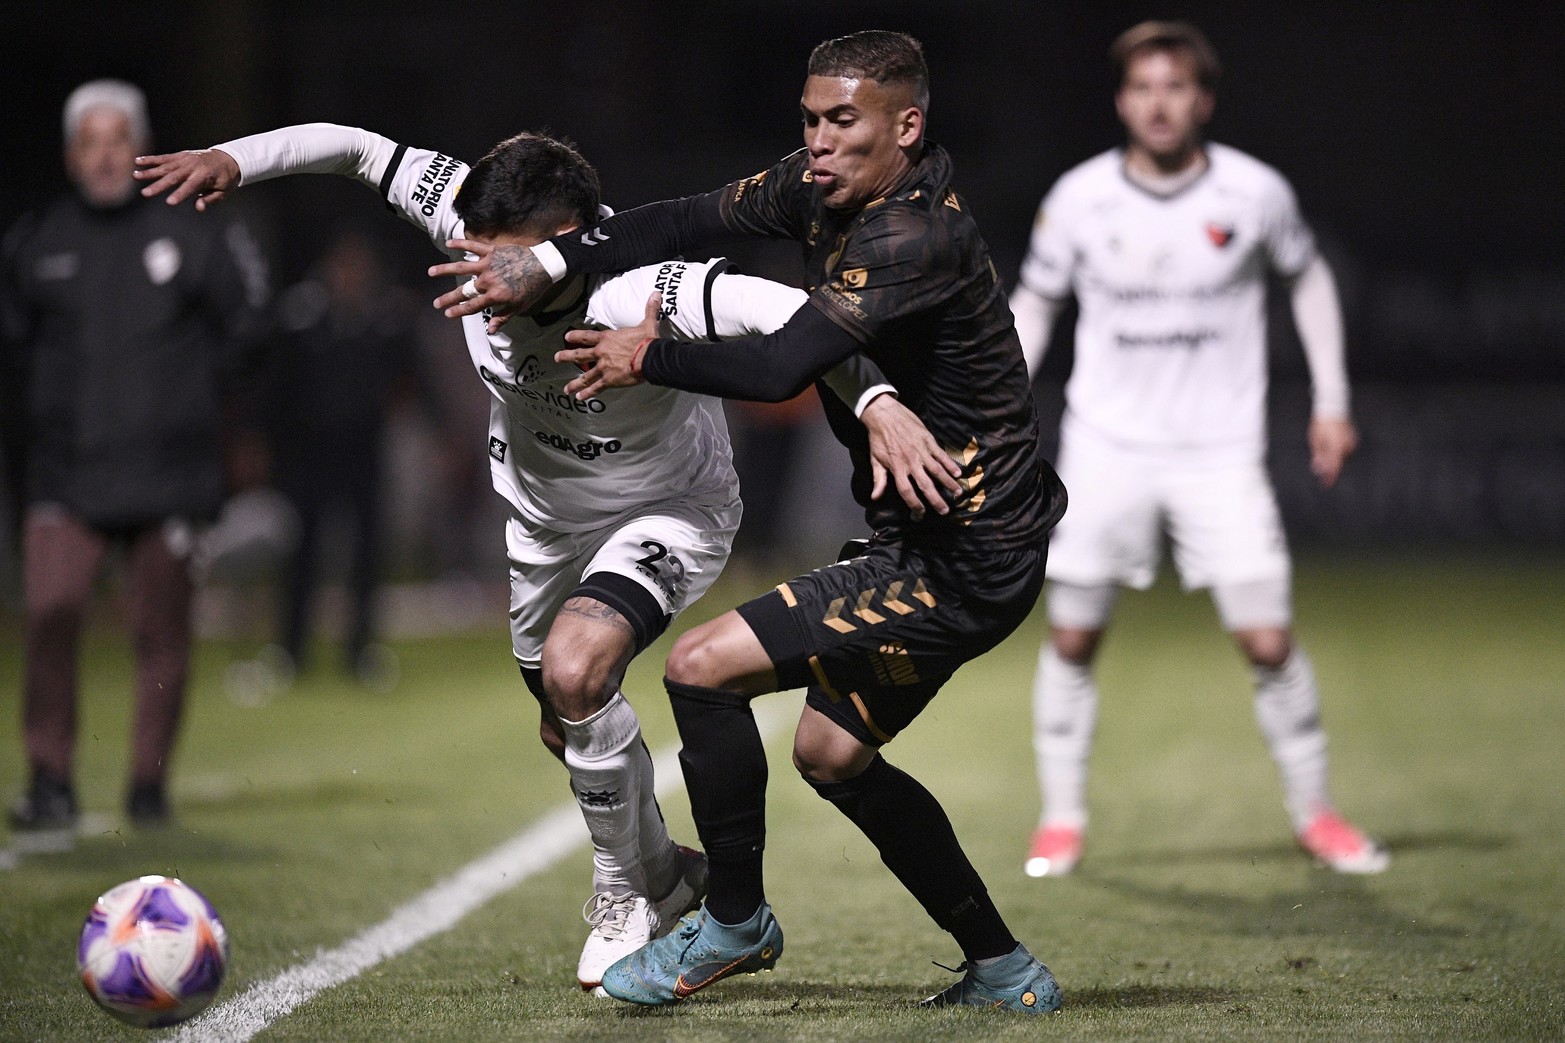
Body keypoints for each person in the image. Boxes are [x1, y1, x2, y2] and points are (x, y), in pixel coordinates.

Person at [135, 121, 939, 992]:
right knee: (564, 722)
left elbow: (798, 318)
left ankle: (622, 889)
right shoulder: (468, 224)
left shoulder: (644, 285)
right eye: (471, 255)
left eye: (501, 263)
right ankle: (662, 875)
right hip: (540, 523)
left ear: (566, 242)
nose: (479, 279)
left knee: (576, 666)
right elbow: (357, 148)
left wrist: (882, 402)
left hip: (666, 508)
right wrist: (233, 162)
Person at [434, 30, 1069, 1013]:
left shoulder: (912, 235)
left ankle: (731, 919)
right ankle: (1001, 965)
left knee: (699, 665)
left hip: (963, 554)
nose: (817, 140)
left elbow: (779, 365)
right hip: (943, 540)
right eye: (810, 118)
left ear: (906, 126)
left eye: (842, 122)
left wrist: (650, 355)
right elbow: (681, 216)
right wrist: (549, 261)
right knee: (830, 753)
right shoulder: (814, 189)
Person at [1007, 21, 1389, 878]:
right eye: (1142, 87)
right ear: (1120, 100)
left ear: (1202, 99)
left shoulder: (1253, 193)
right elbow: (1034, 303)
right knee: (1072, 637)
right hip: (1106, 451)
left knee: (1265, 639)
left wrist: (1331, 400)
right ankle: (1061, 818)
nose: (1158, 103)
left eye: (1174, 86)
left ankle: (1315, 811)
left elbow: (1308, 276)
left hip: (1218, 455)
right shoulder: (1078, 198)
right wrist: (997, 407)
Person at [0, 80, 270, 846]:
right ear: (70, 154)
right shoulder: (38, 239)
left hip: (170, 474)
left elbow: (248, 329)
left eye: (119, 137)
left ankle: (148, 782)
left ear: (142, 146)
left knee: (162, 635)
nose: (106, 153)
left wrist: (199, 410)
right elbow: (12, 344)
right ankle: (50, 778)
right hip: (67, 472)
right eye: (91, 140)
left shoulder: (193, 230)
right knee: (49, 609)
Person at [263, 228, 431, 688]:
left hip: (364, 449)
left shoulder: (386, 316)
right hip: (308, 451)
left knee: (366, 553)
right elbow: (275, 384)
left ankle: (359, 650)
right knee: (302, 552)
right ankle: (290, 650)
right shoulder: (302, 315)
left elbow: (411, 379)